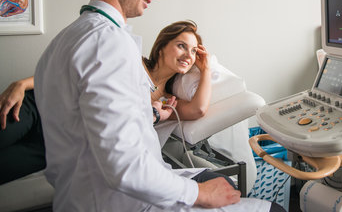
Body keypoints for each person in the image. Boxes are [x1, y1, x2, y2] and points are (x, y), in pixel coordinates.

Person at [29, 0, 277, 211]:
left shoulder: (61, 42)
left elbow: (102, 123)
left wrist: (157, 112)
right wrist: (198, 193)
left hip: (78, 196)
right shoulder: (109, 43)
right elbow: (125, 167)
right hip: (122, 203)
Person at [0, 21, 208, 184]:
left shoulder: (165, 103)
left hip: (59, 142)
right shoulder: (130, 59)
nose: (187, 55)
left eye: (192, 51)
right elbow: (72, 72)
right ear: (162, 46)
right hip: (39, 106)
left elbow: (198, 110)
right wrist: (23, 84)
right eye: (181, 46)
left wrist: (206, 70)